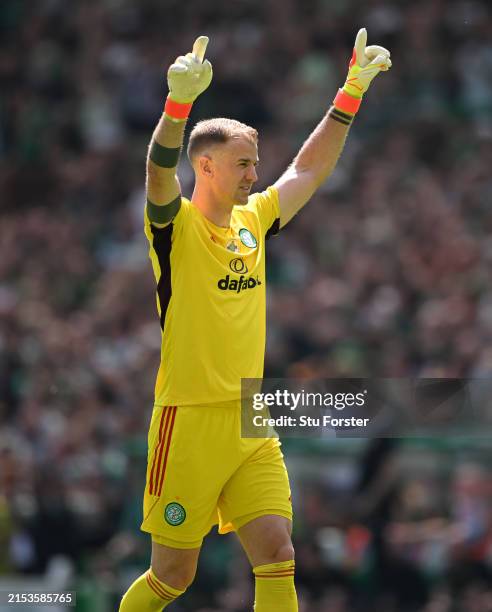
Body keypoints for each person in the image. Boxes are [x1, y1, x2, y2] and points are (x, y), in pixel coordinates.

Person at [119, 30, 391, 611]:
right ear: (208, 166)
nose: (253, 175)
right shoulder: (177, 228)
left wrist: (348, 96)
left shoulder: (254, 220)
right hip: (188, 420)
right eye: (244, 165)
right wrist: (175, 109)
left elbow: (307, 173)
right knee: (173, 577)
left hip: (251, 416)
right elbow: (157, 176)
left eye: (255, 165)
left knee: (277, 550)